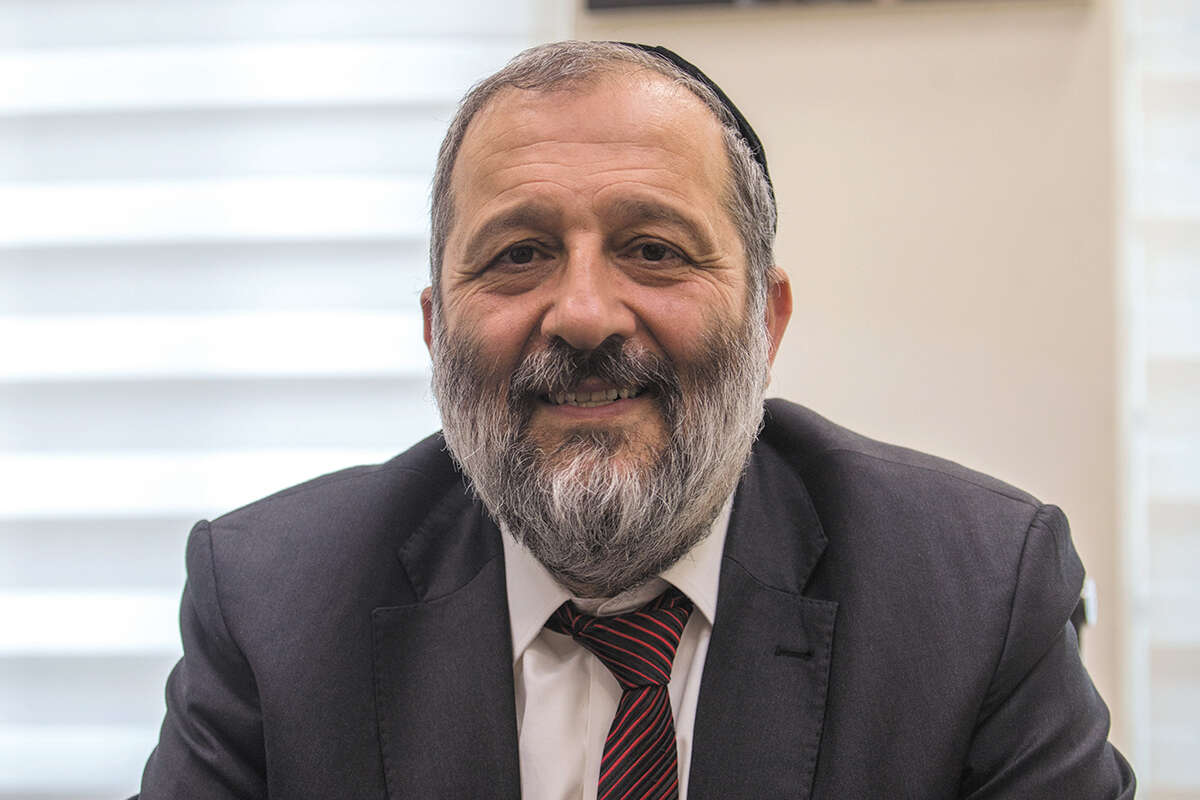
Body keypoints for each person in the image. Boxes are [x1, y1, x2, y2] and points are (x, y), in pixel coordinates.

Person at [135, 41, 1135, 799]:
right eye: (519, 254)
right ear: (437, 331)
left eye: (653, 249)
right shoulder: (272, 605)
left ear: (767, 321)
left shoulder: (975, 596)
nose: (582, 314)